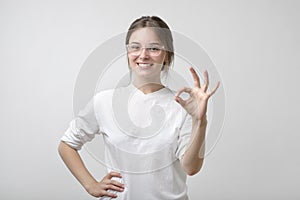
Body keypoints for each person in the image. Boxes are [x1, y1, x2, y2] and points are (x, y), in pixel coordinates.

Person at [58, 16, 220, 200]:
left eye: (154, 48)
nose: (143, 55)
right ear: (128, 52)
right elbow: (66, 145)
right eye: (135, 47)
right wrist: (91, 185)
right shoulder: (104, 101)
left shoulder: (182, 106)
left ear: (167, 54)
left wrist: (200, 120)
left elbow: (191, 168)